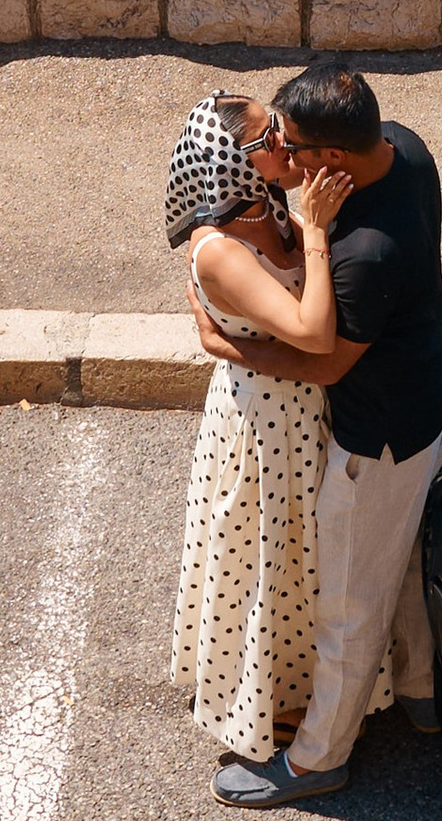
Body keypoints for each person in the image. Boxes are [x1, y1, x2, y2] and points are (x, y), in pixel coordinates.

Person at [195, 60, 442, 812]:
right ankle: (421, 694)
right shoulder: (406, 146)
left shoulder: (363, 251)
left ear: (329, 159)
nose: (280, 150)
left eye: (289, 141)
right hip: (427, 399)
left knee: (349, 603)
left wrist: (229, 346)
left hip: (376, 441)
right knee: (400, 564)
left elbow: (324, 356)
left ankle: (318, 758)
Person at [163, 93, 387, 771]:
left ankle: (319, 685)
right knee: (271, 561)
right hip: (263, 430)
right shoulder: (220, 251)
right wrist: (313, 230)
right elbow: (315, 334)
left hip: (306, 413)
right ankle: (274, 700)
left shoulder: (268, 206)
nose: (286, 143)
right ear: (233, 159)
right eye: (268, 138)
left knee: (312, 559)